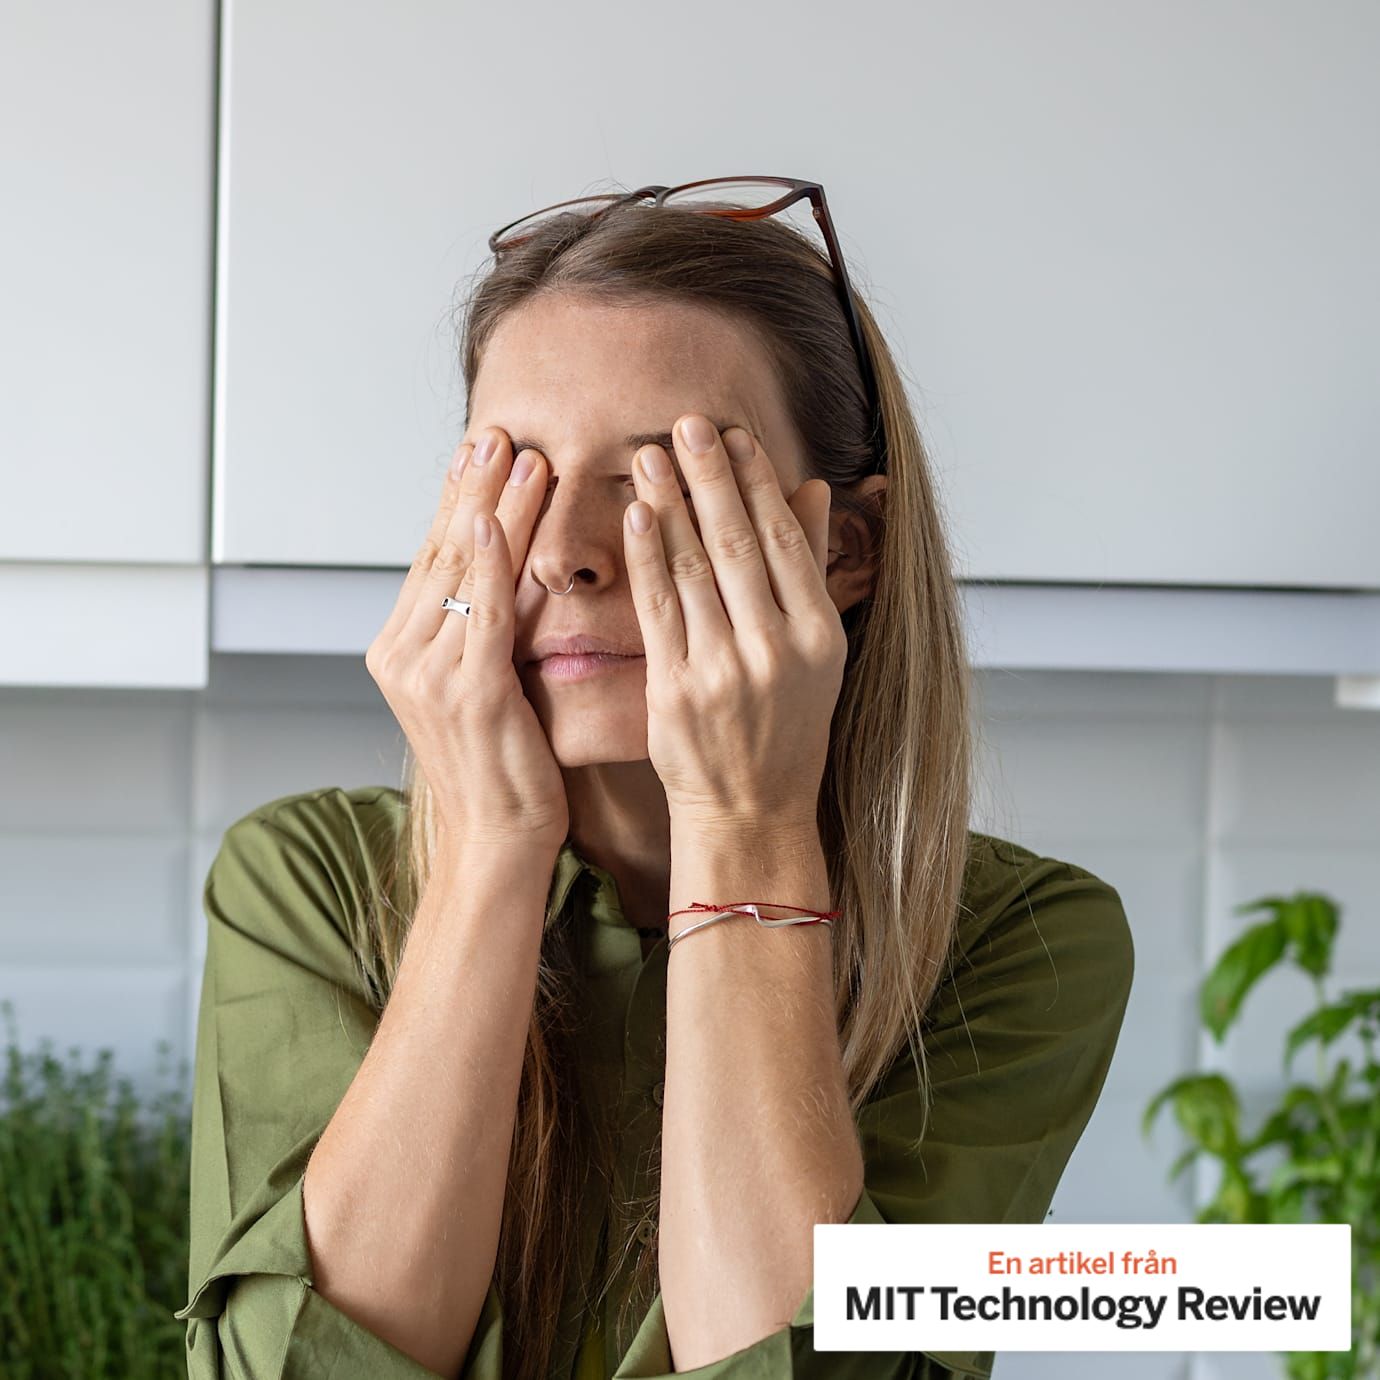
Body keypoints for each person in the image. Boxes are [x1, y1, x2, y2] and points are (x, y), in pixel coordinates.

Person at [177, 180, 1135, 1380]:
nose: (563, 556)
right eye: (518, 477)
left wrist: (745, 822)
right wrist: (487, 846)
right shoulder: (305, 880)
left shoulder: (1021, 940)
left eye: (652, 482)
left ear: (843, 549)